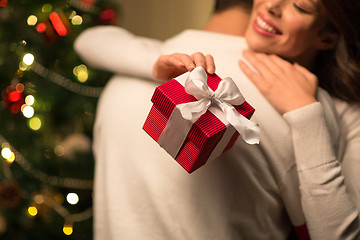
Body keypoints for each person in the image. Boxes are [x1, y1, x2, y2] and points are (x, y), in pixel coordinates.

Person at [74, 0, 360, 239]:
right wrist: (157, 64)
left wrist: (306, 113)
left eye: (300, 5)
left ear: (327, 36)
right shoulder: (163, 58)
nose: (272, 5)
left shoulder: (122, 78)